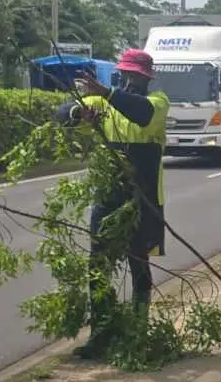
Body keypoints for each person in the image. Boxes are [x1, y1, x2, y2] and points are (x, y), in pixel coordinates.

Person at [57, 48, 170, 359]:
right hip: (109, 199)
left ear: (147, 79)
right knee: (99, 266)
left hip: (144, 200)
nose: (131, 80)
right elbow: (62, 115)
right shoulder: (100, 102)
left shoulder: (156, 103)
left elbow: (142, 114)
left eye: (137, 76)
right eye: (127, 74)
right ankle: (102, 334)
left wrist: (106, 92)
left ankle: (139, 331)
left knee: (140, 265)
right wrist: (81, 115)